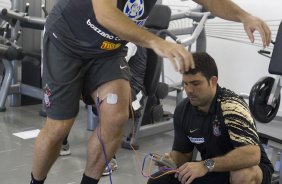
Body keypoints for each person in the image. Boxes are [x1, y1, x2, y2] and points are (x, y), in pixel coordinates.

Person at [30, 0, 271, 184]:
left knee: (116, 116)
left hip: (108, 50)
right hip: (67, 41)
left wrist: (243, 16)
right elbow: (105, 13)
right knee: (59, 126)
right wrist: (156, 42)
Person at [147, 52, 274, 184]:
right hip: (212, 168)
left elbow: (252, 155)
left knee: (242, 174)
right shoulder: (183, 110)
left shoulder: (231, 106)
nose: (189, 90)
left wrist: (205, 165)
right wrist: (171, 160)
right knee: (158, 180)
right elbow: (184, 154)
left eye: (195, 84)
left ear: (213, 81)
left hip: (248, 169)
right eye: (185, 84)